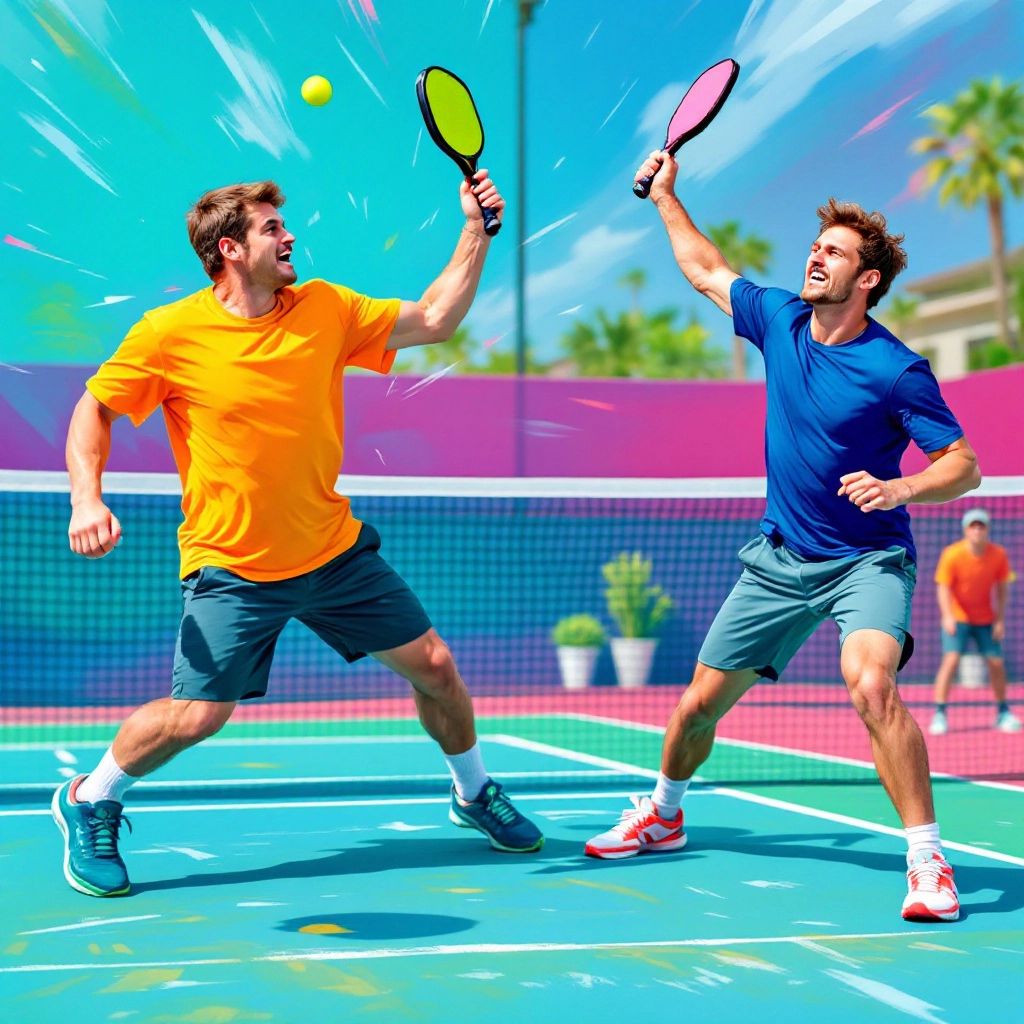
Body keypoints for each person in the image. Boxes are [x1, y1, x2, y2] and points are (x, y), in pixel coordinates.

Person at [55, 173, 543, 898]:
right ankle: (91, 797)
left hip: (331, 551)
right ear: (229, 248)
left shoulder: (326, 308)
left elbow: (437, 318)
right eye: (271, 229)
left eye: (285, 226)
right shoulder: (168, 334)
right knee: (196, 717)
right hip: (233, 564)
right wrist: (85, 500)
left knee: (436, 666)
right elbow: (94, 410)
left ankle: (473, 792)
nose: (290, 238)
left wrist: (474, 227)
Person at [585, 149, 981, 924]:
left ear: (866, 280)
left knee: (871, 686)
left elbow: (964, 464)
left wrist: (900, 487)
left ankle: (928, 862)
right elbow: (705, 268)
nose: (815, 255)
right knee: (697, 709)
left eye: (833, 251)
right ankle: (664, 812)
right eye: (816, 245)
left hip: (867, 559)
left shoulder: (897, 370)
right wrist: (665, 195)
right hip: (779, 559)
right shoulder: (781, 319)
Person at [929, 508, 1019, 735]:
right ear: (966, 530)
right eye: (973, 526)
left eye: (981, 526)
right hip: (958, 619)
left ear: (987, 529)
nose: (977, 530)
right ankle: (939, 713)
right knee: (951, 661)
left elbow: (1002, 590)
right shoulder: (952, 554)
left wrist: (999, 620)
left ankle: (1003, 712)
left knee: (996, 664)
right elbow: (943, 587)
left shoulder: (998, 554)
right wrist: (947, 616)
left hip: (986, 619)